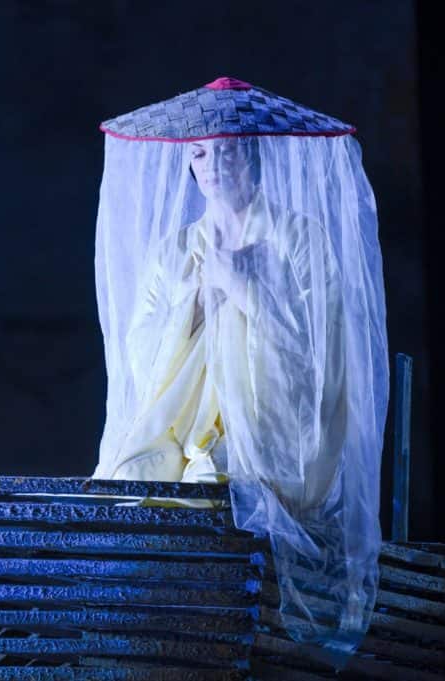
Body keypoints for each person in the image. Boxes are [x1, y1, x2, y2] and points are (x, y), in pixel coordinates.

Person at [91, 135, 348, 517]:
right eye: (199, 153)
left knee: (210, 483)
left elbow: (319, 348)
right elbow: (141, 348)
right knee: (130, 478)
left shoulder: (298, 238)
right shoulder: (175, 249)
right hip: (181, 418)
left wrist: (243, 288)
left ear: (252, 155)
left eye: (226, 151)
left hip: (267, 425)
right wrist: (197, 302)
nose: (211, 164)